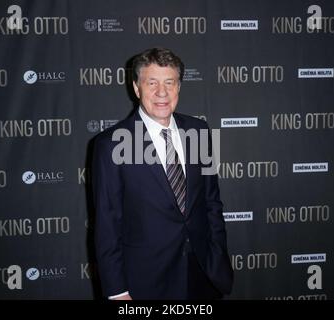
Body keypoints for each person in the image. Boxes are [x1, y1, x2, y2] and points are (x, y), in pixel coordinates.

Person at [92, 47, 233, 300]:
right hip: (145, 283)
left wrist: (218, 257)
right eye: (152, 83)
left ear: (179, 87)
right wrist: (117, 292)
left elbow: (212, 202)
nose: (162, 92)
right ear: (136, 88)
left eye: (170, 82)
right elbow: (107, 225)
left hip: (202, 276)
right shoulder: (110, 144)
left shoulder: (199, 131)